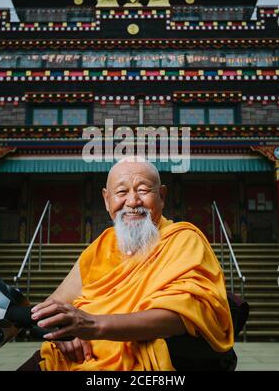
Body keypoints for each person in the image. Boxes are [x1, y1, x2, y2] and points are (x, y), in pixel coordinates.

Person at [18, 157, 234, 371]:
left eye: (143, 190)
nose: (132, 202)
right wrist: (61, 332)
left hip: (138, 360)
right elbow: (49, 307)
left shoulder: (183, 239)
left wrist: (93, 325)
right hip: (71, 357)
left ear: (162, 195)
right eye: (121, 192)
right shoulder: (102, 245)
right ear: (106, 199)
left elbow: (183, 315)